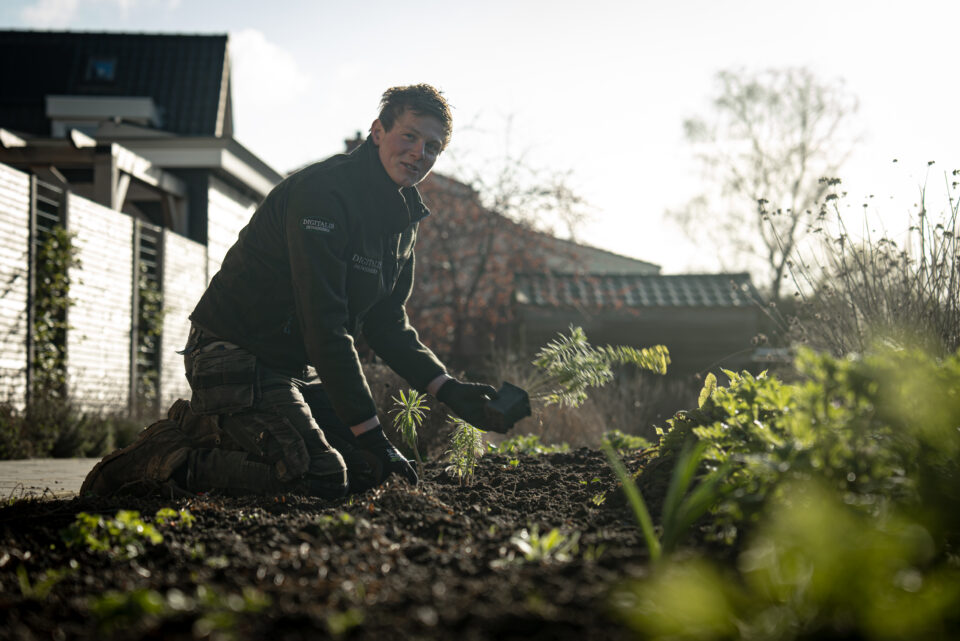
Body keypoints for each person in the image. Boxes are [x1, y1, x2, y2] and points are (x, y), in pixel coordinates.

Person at [81, 84, 514, 499]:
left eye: (433, 147)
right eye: (410, 136)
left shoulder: (401, 221)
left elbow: (387, 323)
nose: (420, 153)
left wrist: (449, 389)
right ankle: (167, 458)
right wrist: (374, 435)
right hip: (231, 352)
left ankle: (210, 423)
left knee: (366, 471)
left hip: (289, 368)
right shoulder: (323, 194)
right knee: (321, 477)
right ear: (378, 131)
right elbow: (323, 323)